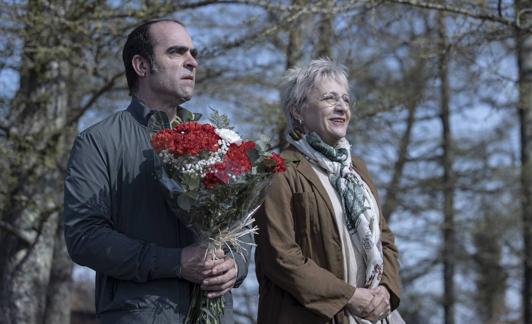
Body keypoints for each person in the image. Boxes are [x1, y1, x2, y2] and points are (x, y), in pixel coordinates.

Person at [63, 19, 251, 324]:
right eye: (176, 52)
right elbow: (84, 237)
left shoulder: (217, 139)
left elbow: (240, 224)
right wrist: (174, 262)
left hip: (215, 315)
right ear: (141, 65)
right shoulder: (98, 141)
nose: (192, 62)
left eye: (193, 53)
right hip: (140, 315)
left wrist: (235, 264)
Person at [255, 59, 403, 324]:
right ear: (298, 111)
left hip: (373, 316)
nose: (341, 107)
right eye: (329, 98)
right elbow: (280, 256)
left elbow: (386, 240)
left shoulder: (357, 169)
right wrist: (348, 296)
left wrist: (386, 290)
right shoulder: (279, 169)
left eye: (345, 100)